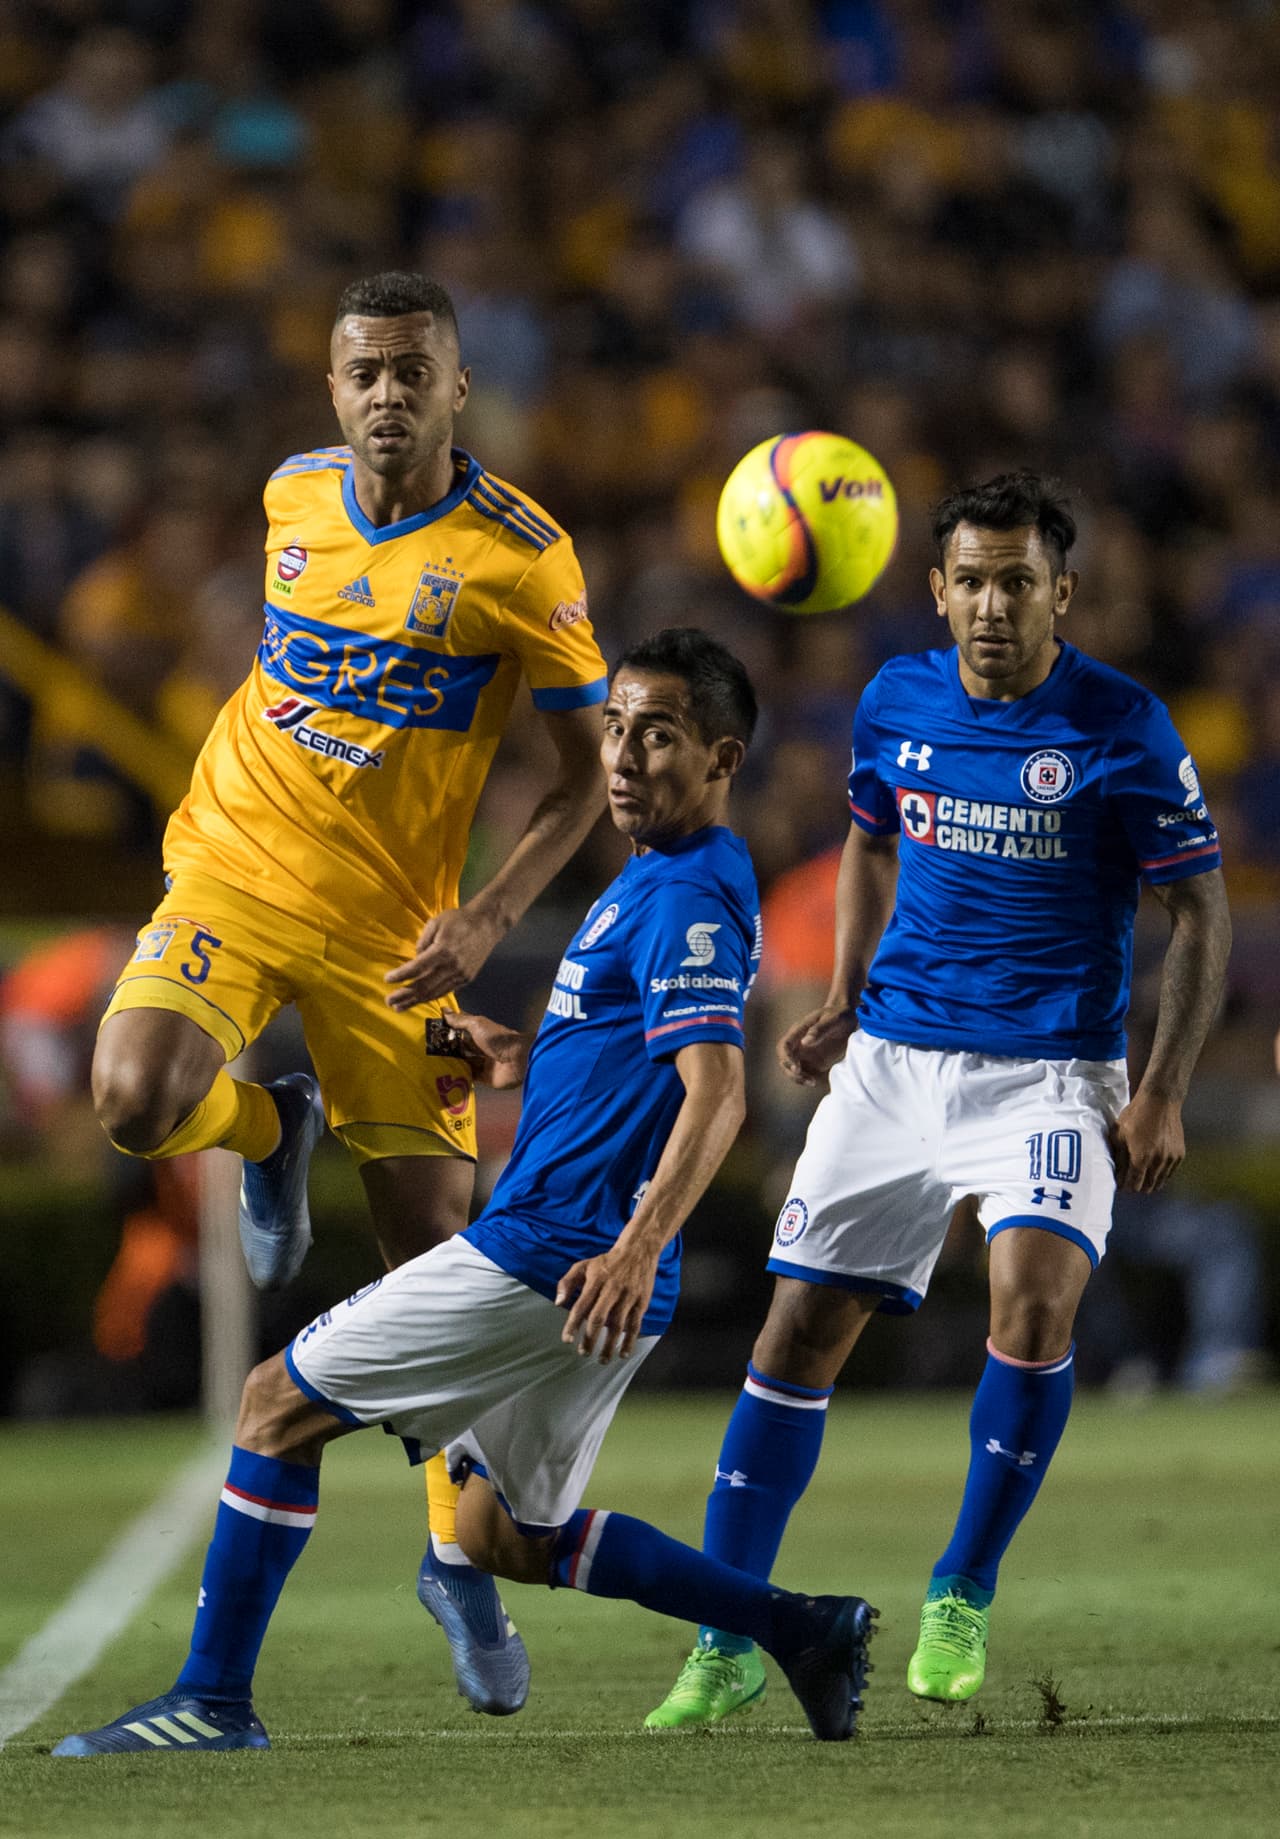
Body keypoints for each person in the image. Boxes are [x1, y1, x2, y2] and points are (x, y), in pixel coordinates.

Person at [53, 630, 878, 1756]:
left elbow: (717, 1092)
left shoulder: (687, 893)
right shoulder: (652, 880)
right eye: (617, 729)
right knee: (499, 1533)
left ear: (723, 759)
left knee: (270, 1407)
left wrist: (632, 1246)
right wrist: (519, 1059)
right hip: (594, 1270)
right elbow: (629, 1066)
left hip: (556, 1258)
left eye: (661, 735)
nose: (625, 756)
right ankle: (801, 1629)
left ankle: (213, 1701)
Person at [88, 270, 610, 1714]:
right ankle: (272, 1130)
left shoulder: (524, 559)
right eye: (364, 371)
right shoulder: (291, 502)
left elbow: (583, 786)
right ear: (333, 390)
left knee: (426, 1276)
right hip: (236, 874)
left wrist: (488, 915)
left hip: (399, 940)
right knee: (132, 1100)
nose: (387, 394)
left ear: (459, 389)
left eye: (413, 371)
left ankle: (453, 1552)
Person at [646, 471, 1231, 1728]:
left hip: (1051, 1074)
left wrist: (1163, 1090)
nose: (990, 604)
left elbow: (1200, 912)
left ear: (1059, 594)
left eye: (1016, 581)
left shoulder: (1123, 726)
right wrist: (845, 994)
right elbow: (866, 840)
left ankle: (961, 1584)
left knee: (1030, 1306)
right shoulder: (892, 699)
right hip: (895, 1061)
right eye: (969, 579)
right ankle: (728, 1628)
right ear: (935, 588)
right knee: (793, 1339)